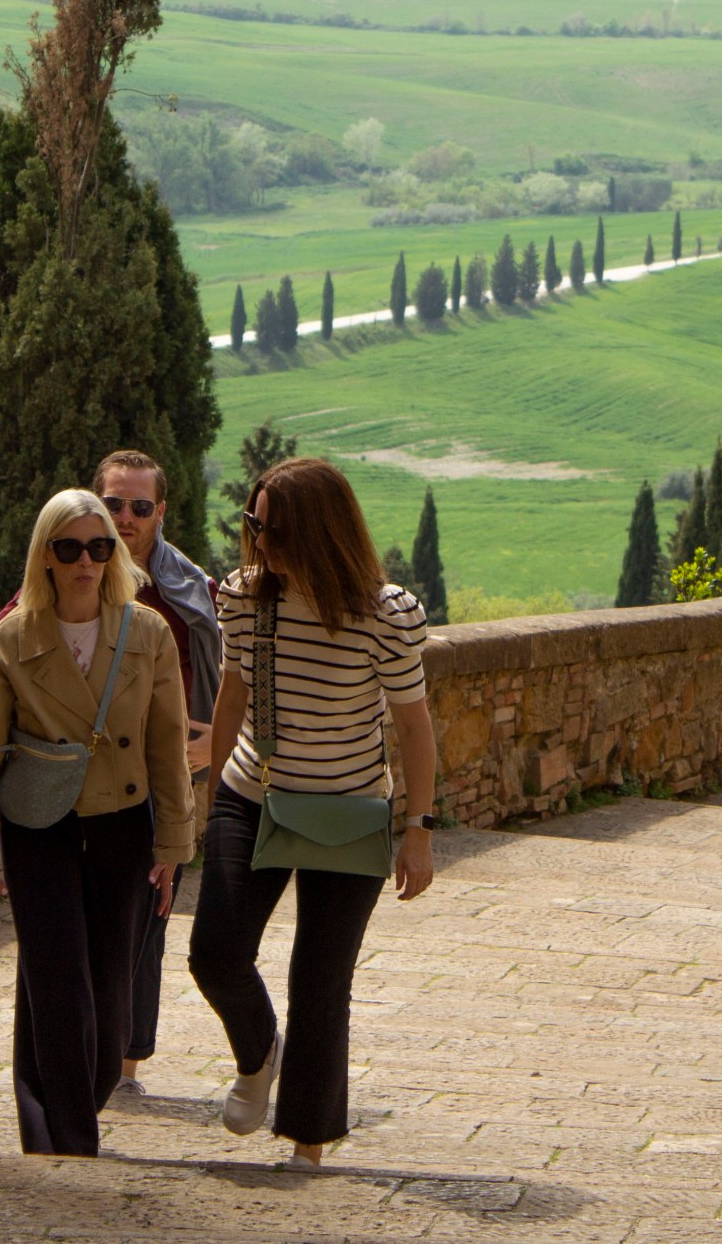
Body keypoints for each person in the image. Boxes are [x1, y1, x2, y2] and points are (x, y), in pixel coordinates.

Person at [188, 457, 438, 1167]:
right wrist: (213, 807)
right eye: (253, 525)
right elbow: (232, 693)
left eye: (274, 530)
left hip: (351, 809)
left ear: (319, 533)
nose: (258, 543)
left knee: (321, 984)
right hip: (251, 794)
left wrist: (416, 831)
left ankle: (308, 1140)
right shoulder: (242, 597)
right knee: (215, 953)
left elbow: (414, 728)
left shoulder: (386, 614)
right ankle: (259, 1051)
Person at [0, 490, 196, 1156]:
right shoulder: (12, 639)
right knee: (58, 980)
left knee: (111, 997)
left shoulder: (146, 634)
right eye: (69, 549)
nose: (85, 561)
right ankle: (67, 1137)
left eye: (99, 547)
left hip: (123, 827)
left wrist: (174, 843)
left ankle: (63, 1110)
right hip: (39, 828)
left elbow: (167, 745)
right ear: (47, 558)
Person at [93, 449, 222, 1094]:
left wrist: (211, 749)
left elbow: (229, 682)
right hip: (82, 778)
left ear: (161, 512)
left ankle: (124, 1064)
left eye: (139, 506)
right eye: (113, 504)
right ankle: (84, 1054)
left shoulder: (189, 587)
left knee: (149, 918)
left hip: (158, 782)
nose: (125, 518)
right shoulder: (69, 570)